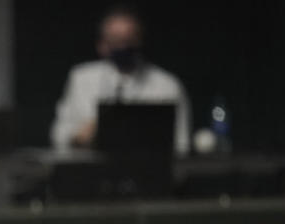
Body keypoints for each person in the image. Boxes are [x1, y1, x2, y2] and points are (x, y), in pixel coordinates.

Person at [50, 5, 191, 155]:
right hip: (92, 172)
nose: (123, 45)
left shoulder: (167, 85)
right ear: (102, 44)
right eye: (116, 39)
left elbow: (181, 144)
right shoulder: (81, 78)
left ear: (140, 40)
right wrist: (78, 137)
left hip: (147, 171)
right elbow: (58, 134)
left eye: (129, 39)